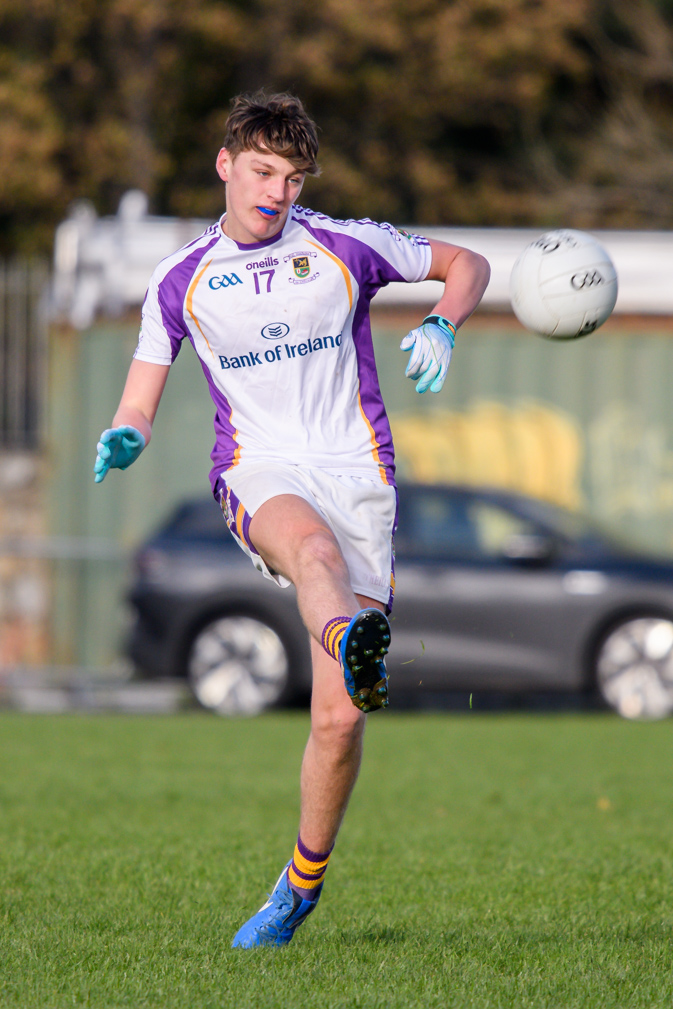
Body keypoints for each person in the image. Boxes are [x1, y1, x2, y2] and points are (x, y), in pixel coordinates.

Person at [94, 92, 490, 948]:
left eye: (293, 176)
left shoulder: (344, 243)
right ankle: (352, 639)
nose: (276, 191)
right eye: (263, 171)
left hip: (360, 476)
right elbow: (140, 396)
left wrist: (442, 320)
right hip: (258, 470)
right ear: (226, 164)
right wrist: (126, 432)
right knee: (309, 550)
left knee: (340, 721)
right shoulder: (180, 279)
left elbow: (467, 262)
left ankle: (299, 885)